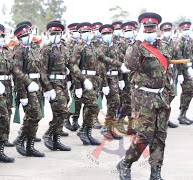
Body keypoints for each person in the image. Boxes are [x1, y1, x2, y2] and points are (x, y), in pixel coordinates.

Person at [116, 12, 170, 180]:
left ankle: (155, 173)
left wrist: (169, 94)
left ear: (157, 29)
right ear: (141, 29)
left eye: (152, 28)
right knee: (144, 137)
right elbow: (130, 65)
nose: (149, 31)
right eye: (146, 29)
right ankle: (125, 163)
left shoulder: (163, 46)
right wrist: (139, 41)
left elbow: (166, 72)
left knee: (160, 137)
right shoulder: (136, 46)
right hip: (143, 98)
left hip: (161, 97)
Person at [0, 23, 40, 162]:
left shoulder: (7, 51)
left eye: (1, 35)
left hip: (7, 89)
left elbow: (15, 70)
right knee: (1, 119)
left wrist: (28, 82)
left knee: (6, 120)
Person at [72, 22, 129, 145]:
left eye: (88, 32)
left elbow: (103, 59)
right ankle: (85, 130)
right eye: (83, 32)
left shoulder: (93, 46)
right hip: (85, 80)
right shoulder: (79, 47)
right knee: (93, 106)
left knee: (98, 106)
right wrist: (78, 85)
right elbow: (73, 66)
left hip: (95, 79)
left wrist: (120, 65)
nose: (86, 34)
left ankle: (87, 132)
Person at [40, 20, 92, 151]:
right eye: (52, 33)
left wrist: (83, 79)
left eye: (58, 33)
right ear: (48, 34)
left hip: (62, 83)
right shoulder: (46, 49)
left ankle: (56, 140)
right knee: (63, 111)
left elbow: (72, 66)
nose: (55, 35)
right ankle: (48, 134)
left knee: (59, 113)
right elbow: (42, 71)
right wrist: (48, 88)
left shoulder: (64, 49)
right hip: (52, 84)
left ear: (62, 33)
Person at [12, 21, 54, 157]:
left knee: (35, 116)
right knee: (35, 115)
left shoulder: (35, 48)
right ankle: (21, 140)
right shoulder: (18, 51)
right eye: (23, 35)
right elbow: (17, 72)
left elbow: (41, 70)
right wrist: (22, 94)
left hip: (37, 86)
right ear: (19, 38)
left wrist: (47, 87)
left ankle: (30, 146)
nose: (27, 36)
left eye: (28, 33)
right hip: (26, 87)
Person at [98, 24, 124, 140]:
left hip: (115, 77)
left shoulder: (115, 46)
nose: (107, 36)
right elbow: (101, 66)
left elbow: (121, 62)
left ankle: (110, 127)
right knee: (113, 102)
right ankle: (106, 128)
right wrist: (104, 84)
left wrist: (121, 79)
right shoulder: (101, 47)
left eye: (109, 33)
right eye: (104, 34)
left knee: (115, 103)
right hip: (106, 78)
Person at [118, 21, 139, 135]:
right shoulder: (121, 45)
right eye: (126, 31)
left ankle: (132, 126)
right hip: (125, 77)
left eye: (130, 30)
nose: (128, 33)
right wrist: (120, 78)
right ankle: (119, 121)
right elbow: (120, 63)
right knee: (126, 102)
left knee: (134, 102)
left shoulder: (137, 44)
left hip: (135, 77)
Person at [158, 21, 179, 128]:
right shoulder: (159, 42)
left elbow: (177, 57)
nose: (167, 32)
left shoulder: (174, 42)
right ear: (161, 31)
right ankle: (162, 120)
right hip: (161, 73)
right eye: (165, 30)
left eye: (168, 30)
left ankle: (165, 118)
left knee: (170, 95)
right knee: (164, 96)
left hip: (170, 72)